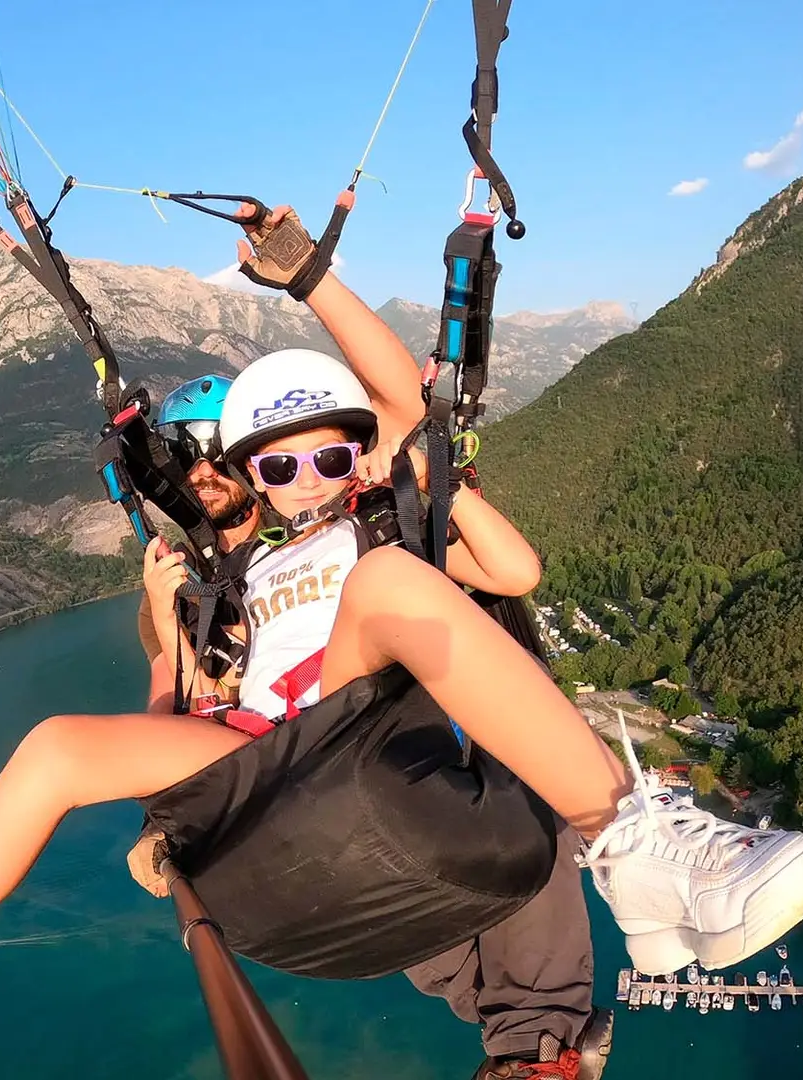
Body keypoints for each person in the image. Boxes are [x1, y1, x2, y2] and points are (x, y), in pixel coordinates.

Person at [0, 224, 803, 1080]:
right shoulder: (224, 582)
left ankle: (632, 840)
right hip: (275, 765)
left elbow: (405, 412)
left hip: (359, 727)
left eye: (317, 461)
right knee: (49, 749)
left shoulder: (379, 525)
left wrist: (308, 279)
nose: (299, 483)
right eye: (272, 467)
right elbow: (177, 679)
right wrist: (166, 787)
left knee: (390, 578)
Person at [131, 375, 611, 1080]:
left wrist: (422, 461)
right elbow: (166, 720)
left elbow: (487, 562)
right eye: (183, 452)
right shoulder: (180, 590)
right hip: (309, 788)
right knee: (435, 907)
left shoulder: (349, 526)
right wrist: (163, 803)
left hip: (381, 742)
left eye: (213, 447)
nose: (201, 470)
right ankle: (536, 1041)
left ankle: (532, 1046)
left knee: (499, 795)